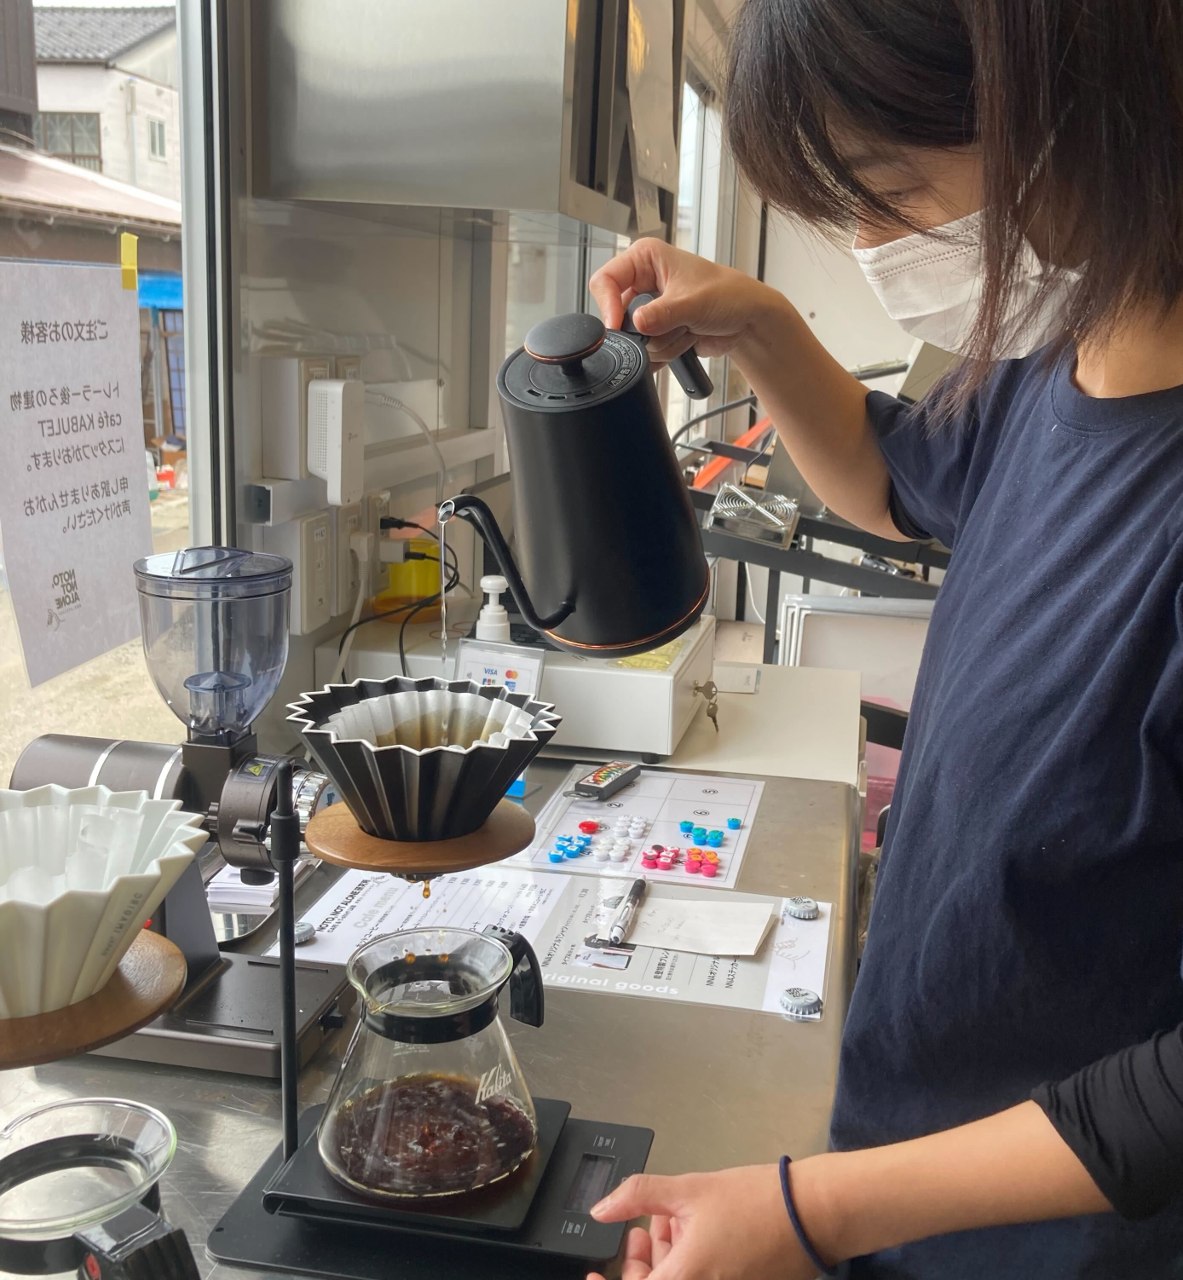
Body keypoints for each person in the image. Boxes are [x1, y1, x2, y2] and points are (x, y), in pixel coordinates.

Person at [585, 1, 1183, 1276]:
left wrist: (814, 1212)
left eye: (889, 189)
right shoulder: (1064, 354)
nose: (869, 243)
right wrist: (757, 323)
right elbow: (893, 478)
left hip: (1051, 1243)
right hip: (904, 1171)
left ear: (1073, 106)